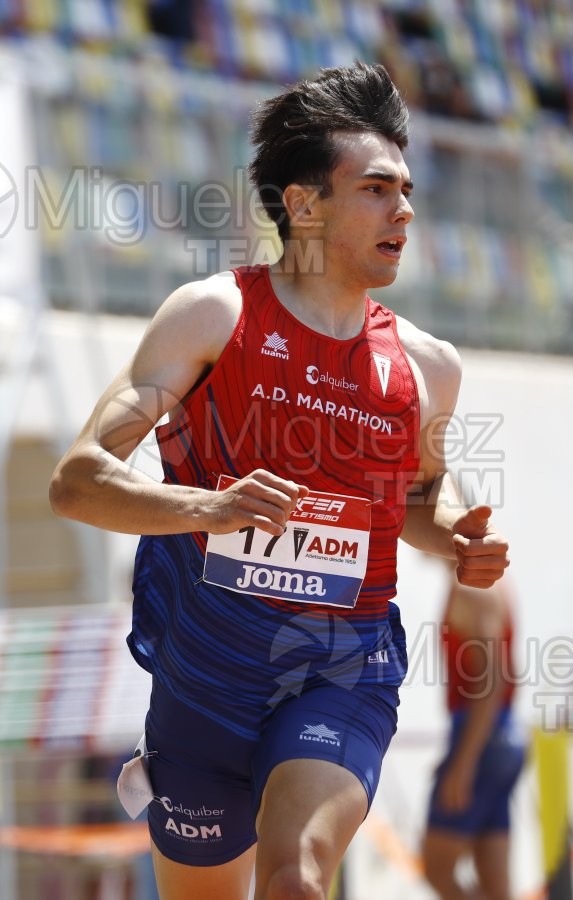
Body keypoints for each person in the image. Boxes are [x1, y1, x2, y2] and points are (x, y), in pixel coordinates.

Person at [49, 62, 510, 900]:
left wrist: (454, 542)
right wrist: (208, 506)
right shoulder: (211, 316)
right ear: (303, 204)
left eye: (407, 190)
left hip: (344, 668)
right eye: (376, 189)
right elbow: (77, 482)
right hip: (204, 678)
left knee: (296, 872)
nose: (404, 210)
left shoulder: (426, 367)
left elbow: (414, 498)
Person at [422, 561, 525, 900]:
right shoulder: (493, 584)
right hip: (503, 732)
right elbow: (509, 677)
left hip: (482, 733)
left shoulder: (472, 588)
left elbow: (492, 681)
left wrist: (464, 762)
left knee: (436, 866)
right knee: (496, 885)